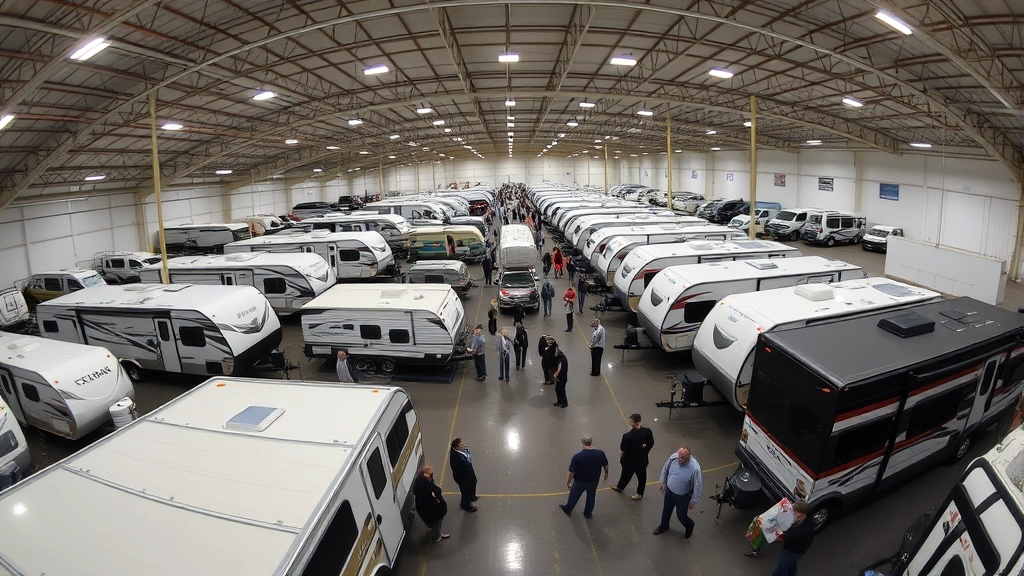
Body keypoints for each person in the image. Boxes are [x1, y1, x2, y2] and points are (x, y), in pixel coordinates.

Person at [653, 446, 702, 538]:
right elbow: (665, 468)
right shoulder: (674, 458)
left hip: (683, 496)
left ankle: (689, 525)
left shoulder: (695, 468)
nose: (679, 460)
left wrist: (694, 500)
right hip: (670, 492)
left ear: (688, 457)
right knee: (666, 510)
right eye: (679, 457)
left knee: (681, 515)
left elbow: (698, 485)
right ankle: (664, 526)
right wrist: (663, 482)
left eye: (682, 459)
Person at [558, 435, 609, 519]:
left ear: (582, 444)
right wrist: (606, 473)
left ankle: (568, 509)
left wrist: (568, 481)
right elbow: (605, 464)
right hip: (594, 480)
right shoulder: (600, 453)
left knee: (574, 496)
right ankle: (588, 513)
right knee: (591, 497)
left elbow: (571, 472)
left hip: (580, 482)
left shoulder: (577, 457)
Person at [610, 414, 654, 500]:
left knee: (625, 475)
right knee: (642, 477)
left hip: (629, 461)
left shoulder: (627, 436)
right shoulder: (647, 432)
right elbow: (651, 443)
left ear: (636, 422)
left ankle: (620, 487)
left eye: (631, 421)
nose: (630, 423)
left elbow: (623, 449)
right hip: (642, 461)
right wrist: (645, 451)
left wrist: (621, 459)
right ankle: (639, 493)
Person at [772, 501, 814, 575]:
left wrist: (776, 536)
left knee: (780, 569)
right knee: (791, 564)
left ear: (803, 514)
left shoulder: (803, 529)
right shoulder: (806, 518)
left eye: (797, 513)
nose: (794, 514)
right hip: (800, 549)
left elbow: (789, 537)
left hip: (793, 550)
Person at [414, 465, 449, 542]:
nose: (430, 477)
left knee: (433, 522)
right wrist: (437, 499)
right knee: (437, 522)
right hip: (432, 511)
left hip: (425, 510)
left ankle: (435, 531)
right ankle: (437, 536)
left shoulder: (420, 482)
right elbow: (430, 499)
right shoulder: (424, 486)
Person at [449, 438, 478, 512]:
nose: (463, 445)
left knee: (472, 485)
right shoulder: (456, 458)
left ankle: (472, 497)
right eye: (461, 444)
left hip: (469, 474)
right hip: (464, 479)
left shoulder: (461, 451)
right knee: (466, 492)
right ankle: (465, 505)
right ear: (457, 447)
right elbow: (465, 464)